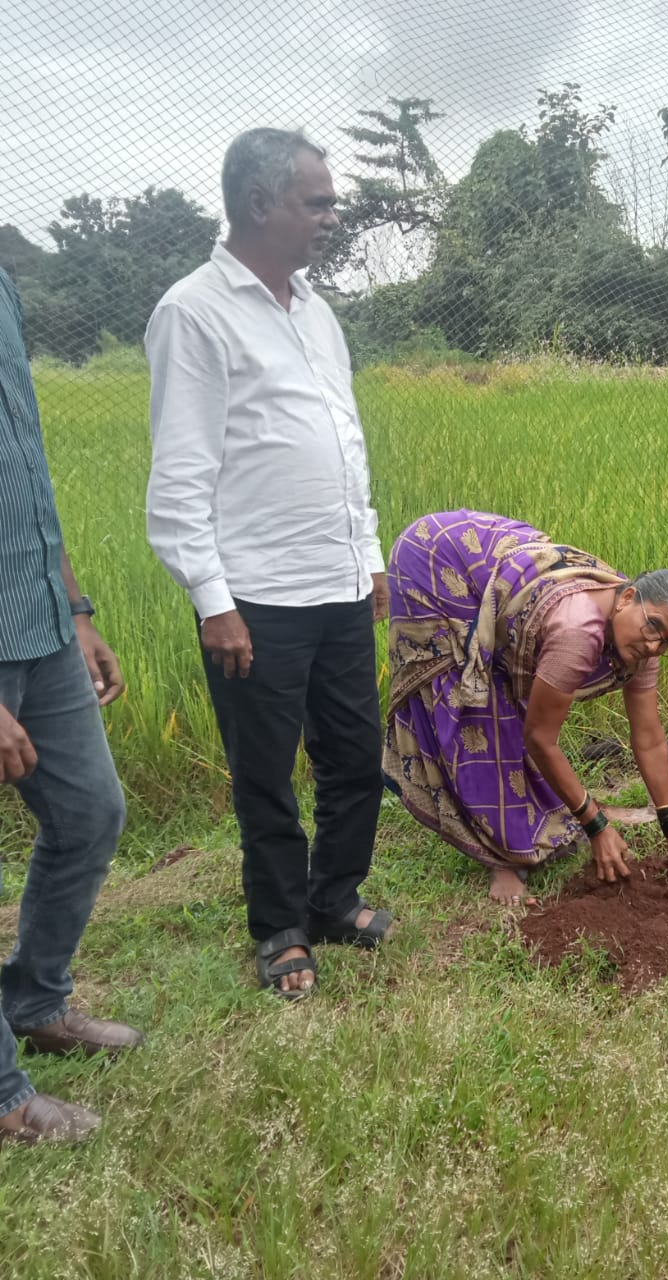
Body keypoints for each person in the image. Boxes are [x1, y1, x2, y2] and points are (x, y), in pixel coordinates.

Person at [146, 129, 391, 1001]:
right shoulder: (195, 311)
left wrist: (366, 555)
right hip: (255, 598)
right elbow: (179, 478)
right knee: (267, 775)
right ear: (259, 205)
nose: (332, 215)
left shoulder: (316, 312)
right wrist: (215, 602)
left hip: (334, 585)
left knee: (357, 757)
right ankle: (281, 928)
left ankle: (335, 899)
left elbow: (344, 442)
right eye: (315, 201)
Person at [382, 510, 668, 906]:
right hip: (438, 559)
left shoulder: (642, 646)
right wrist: (597, 828)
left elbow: (649, 737)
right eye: (654, 627)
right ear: (627, 597)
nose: (656, 645)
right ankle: (502, 858)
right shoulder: (577, 633)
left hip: (495, 562)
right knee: (478, 708)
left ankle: (531, 821)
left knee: (517, 700)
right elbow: (540, 738)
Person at [0, 268, 141, 1147]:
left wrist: (75, 605)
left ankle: (34, 1000)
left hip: (37, 614)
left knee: (91, 812)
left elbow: (24, 475)